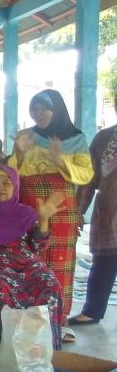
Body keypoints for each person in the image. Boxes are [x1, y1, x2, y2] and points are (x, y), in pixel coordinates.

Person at [7, 89, 94, 320]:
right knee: (30, 258)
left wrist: (60, 161)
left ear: (57, 109)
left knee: (60, 262)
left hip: (61, 208)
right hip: (29, 206)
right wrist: (20, 153)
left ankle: (58, 318)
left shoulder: (77, 138)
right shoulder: (26, 136)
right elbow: (11, 174)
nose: (38, 113)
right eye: (34, 109)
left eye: (44, 108)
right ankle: (31, 317)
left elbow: (86, 174)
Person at [0, 168, 65, 349]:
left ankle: (47, 349)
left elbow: (38, 246)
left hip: (29, 267)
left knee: (51, 285)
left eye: (7, 182)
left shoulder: (27, 213)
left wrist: (43, 219)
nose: (0, 187)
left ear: (16, 186)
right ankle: (10, 350)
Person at [71, 96, 117, 326]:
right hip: (109, 212)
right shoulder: (104, 138)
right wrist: (78, 211)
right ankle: (92, 310)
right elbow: (88, 179)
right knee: (104, 262)